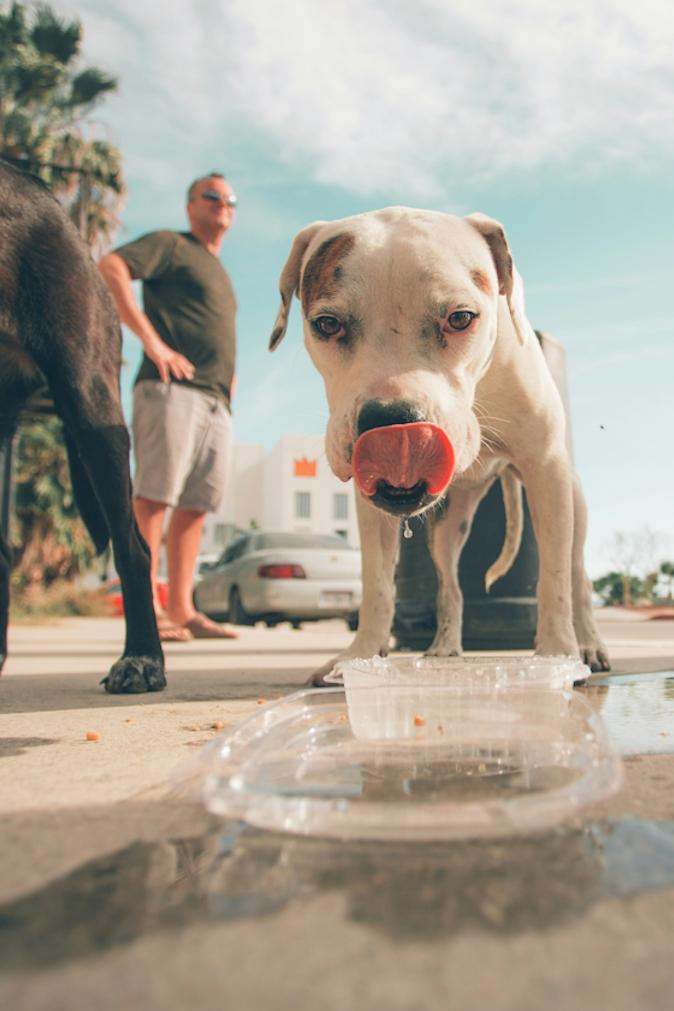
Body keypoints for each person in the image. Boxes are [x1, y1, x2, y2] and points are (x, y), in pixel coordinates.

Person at [99, 173, 238, 641]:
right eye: (213, 196)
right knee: (156, 496)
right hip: (171, 389)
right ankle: (145, 608)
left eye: (230, 200)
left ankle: (181, 608)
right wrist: (153, 343)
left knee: (197, 505)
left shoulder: (217, 268)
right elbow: (111, 267)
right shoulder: (173, 245)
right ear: (190, 205)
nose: (224, 205)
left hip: (215, 400)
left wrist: (229, 381)